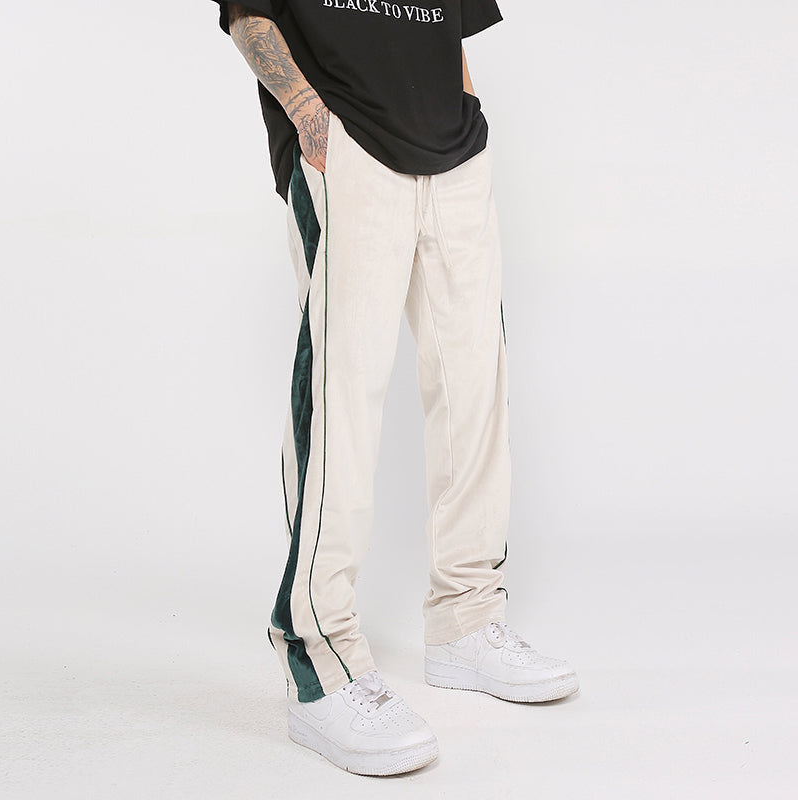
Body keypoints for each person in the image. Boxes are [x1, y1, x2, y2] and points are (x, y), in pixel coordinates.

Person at [208, 0, 579, 776]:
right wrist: (309, 121)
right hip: (348, 148)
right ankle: (319, 656)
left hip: (455, 157)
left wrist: (470, 121)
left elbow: (453, 28)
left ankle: (466, 622)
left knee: (476, 384)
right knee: (341, 396)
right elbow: (249, 16)